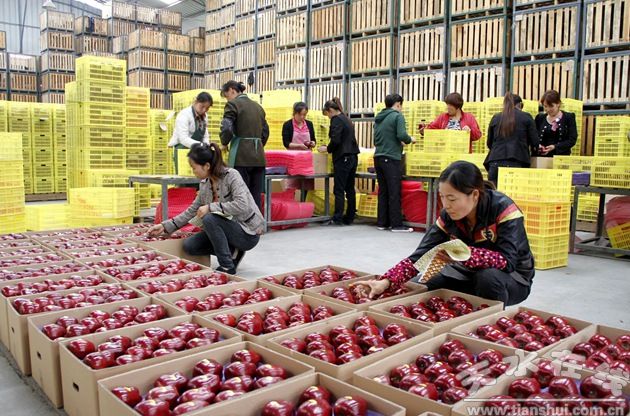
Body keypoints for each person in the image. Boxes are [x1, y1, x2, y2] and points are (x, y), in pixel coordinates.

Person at [351, 161, 533, 306]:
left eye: (452, 198)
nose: (446, 205)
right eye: (442, 197)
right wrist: (386, 282)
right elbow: (420, 256)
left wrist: (464, 254)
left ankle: (489, 322)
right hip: (467, 272)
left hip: (513, 278)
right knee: (422, 282)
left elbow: (508, 261)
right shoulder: (449, 216)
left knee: (488, 278)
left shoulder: (503, 209)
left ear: (475, 195)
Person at [147, 142, 264, 274]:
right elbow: (192, 211)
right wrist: (165, 226)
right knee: (190, 246)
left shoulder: (231, 175)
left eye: (194, 168)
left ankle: (227, 266)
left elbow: (242, 204)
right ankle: (232, 252)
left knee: (209, 218)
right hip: (228, 230)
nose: (193, 172)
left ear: (207, 166)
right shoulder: (205, 184)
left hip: (247, 232)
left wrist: (210, 207)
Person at [220, 80, 270, 210]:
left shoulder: (233, 105)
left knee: (240, 195)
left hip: (241, 156)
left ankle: (243, 222)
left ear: (232, 90)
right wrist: (258, 145)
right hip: (259, 158)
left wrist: (224, 142)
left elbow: (227, 128)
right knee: (255, 195)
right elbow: (265, 132)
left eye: (226, 96)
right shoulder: (258, 107)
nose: (227, 99)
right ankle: (257, 221)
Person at [373, 94, 415, 233]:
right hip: (391, 158)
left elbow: (378, 139)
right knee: (394, 191)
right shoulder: (397, 116)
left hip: (378, 157)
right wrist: (410, 139)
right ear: (398, 104)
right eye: (401, 105)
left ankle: (382, 222)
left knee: (383, 191)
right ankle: (396, 224)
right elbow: (402, 135)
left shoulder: (379, 118)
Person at [318, 97, 360, 226]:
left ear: (330, 111)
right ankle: (350, 216)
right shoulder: (346, 119)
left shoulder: (336, 120)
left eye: (327, 115)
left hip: (343, 158)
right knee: (350, 188)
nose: (328, 117)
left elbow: (336, 140)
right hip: (353, 156)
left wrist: (327, 148)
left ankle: (338, 218)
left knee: (339, 189)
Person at [484, 93, 540, 185]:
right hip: (518, 161)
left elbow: (489, 143)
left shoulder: (496, 117)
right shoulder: (526, 117)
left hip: (495, 161)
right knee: (514, 192)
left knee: (494, 192)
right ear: (520, 105)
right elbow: (535, 142)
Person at [168, 91, 212, 174]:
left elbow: (205, 134)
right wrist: (200, 145)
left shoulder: (204, 116)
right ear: (195, 102)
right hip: (182, 149)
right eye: (202, 106)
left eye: (207, 108)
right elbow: (183, 139)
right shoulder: (184, 115)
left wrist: (206, 145)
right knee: (184, 177)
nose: (204, 110)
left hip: (197, 151)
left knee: (197, 176)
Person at [282, 102, 317, 194]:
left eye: (304, 115)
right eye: (300, 114)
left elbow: (313, 139)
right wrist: (300, 146)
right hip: (293, 159)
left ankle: (304, 200)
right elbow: (286, 143)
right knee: (292, 184)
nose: (302, 117)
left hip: (306, 159)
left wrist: (313, 143)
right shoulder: (288, 125)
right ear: (294, 113)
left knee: (306, 184)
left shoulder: (309, 124)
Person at [535, 90, 578, 157]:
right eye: (545, 106)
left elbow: (572, 140)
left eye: (551, 106)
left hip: (561, 158)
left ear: (558, 104)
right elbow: (534, 136)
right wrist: (539, 146)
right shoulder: (539, 118)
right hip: (541, 158)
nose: (548, 109)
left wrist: (555, 147)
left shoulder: (569, 117)